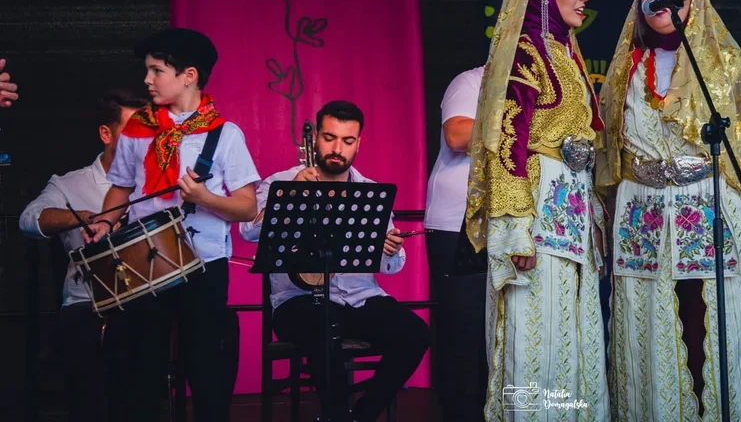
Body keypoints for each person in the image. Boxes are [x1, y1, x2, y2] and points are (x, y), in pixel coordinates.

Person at [596, 0, 741, 422]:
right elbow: (608, 157)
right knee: (652, 331)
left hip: (708, 208)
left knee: (709, 329)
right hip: (642, 213)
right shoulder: (624, 72)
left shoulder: (728, 69)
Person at [82, 28, 260, 422]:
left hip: (205, 265)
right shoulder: (137, 130)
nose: (147, 80)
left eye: (157, 70)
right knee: (142, 366)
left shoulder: (225, 134)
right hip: (144, 263)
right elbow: (121, 189)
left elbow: (247, 207)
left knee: (205, 366)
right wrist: (104, 223)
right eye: (147, 70)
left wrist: (206, 198)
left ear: (189, 76)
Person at [465, 0, 609, 420]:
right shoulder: (526, 52)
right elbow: (507, 141)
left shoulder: (566, 53)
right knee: (535, 335)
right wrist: (514, 229)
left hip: (569, 210)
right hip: (536, 212)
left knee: (572, 333)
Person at [240, 100, 430, 422]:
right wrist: (288, 196)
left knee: (415, 333)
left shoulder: (370, 191)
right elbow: (248, 231)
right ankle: (338, 415)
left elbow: (393, 267)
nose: (337, 149)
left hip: (360, 298)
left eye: (347, 140)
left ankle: (361, 416)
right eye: (329, 138)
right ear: (315, 137)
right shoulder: (281, 182)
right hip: (298, 301)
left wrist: (390, 250)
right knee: (323, 330)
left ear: (359, 143)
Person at [19, 89, 147, 421]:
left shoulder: (158, 180)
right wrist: (85, 218)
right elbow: (29, 219)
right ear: (106, 134)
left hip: (149, 300)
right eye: (133, 131)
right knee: (82, 332)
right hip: (88, 304)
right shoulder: (70, 184)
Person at [424, 65, 487, 421]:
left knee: (498, 340)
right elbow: (457, 135)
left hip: (510, 227)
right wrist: (521, 126)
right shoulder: (471, 81)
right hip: (456, 225)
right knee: (463, 335)